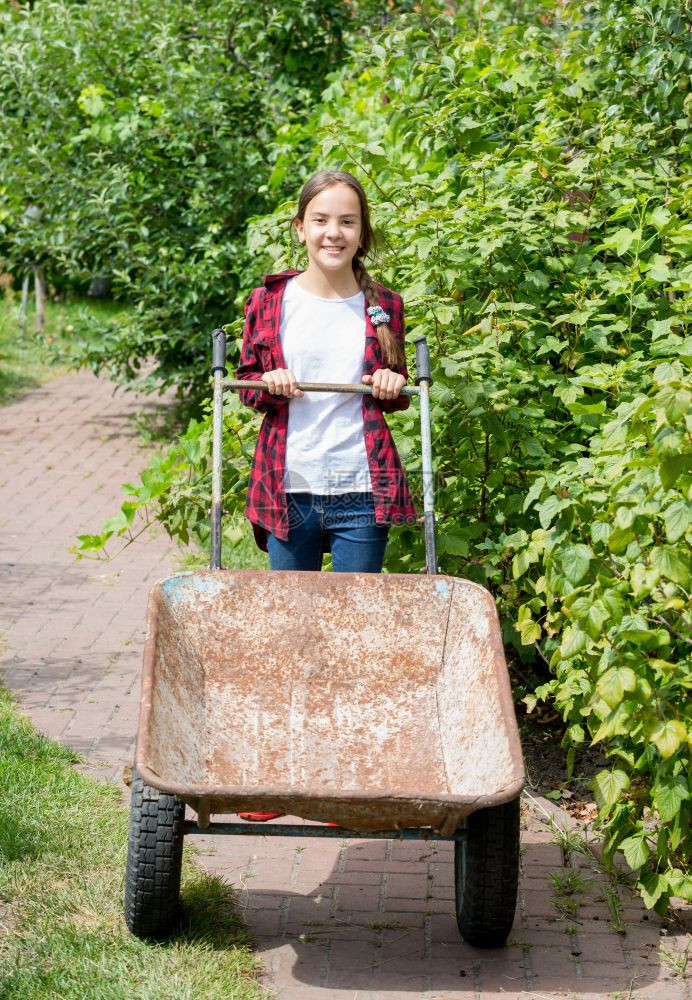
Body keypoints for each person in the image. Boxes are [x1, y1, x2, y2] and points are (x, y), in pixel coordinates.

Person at [235, 169, 417, 578]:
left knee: (355, 618)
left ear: (361, 232)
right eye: (321, 220)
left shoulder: (385, 305)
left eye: (347, 221)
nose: (333, 233)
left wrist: (393, 383)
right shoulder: (269, 302)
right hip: (288, 488)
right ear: (300, 229)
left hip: (362, 489)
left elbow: (399, 384)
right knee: (295, 620)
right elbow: (246, 383)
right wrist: (268, 384)